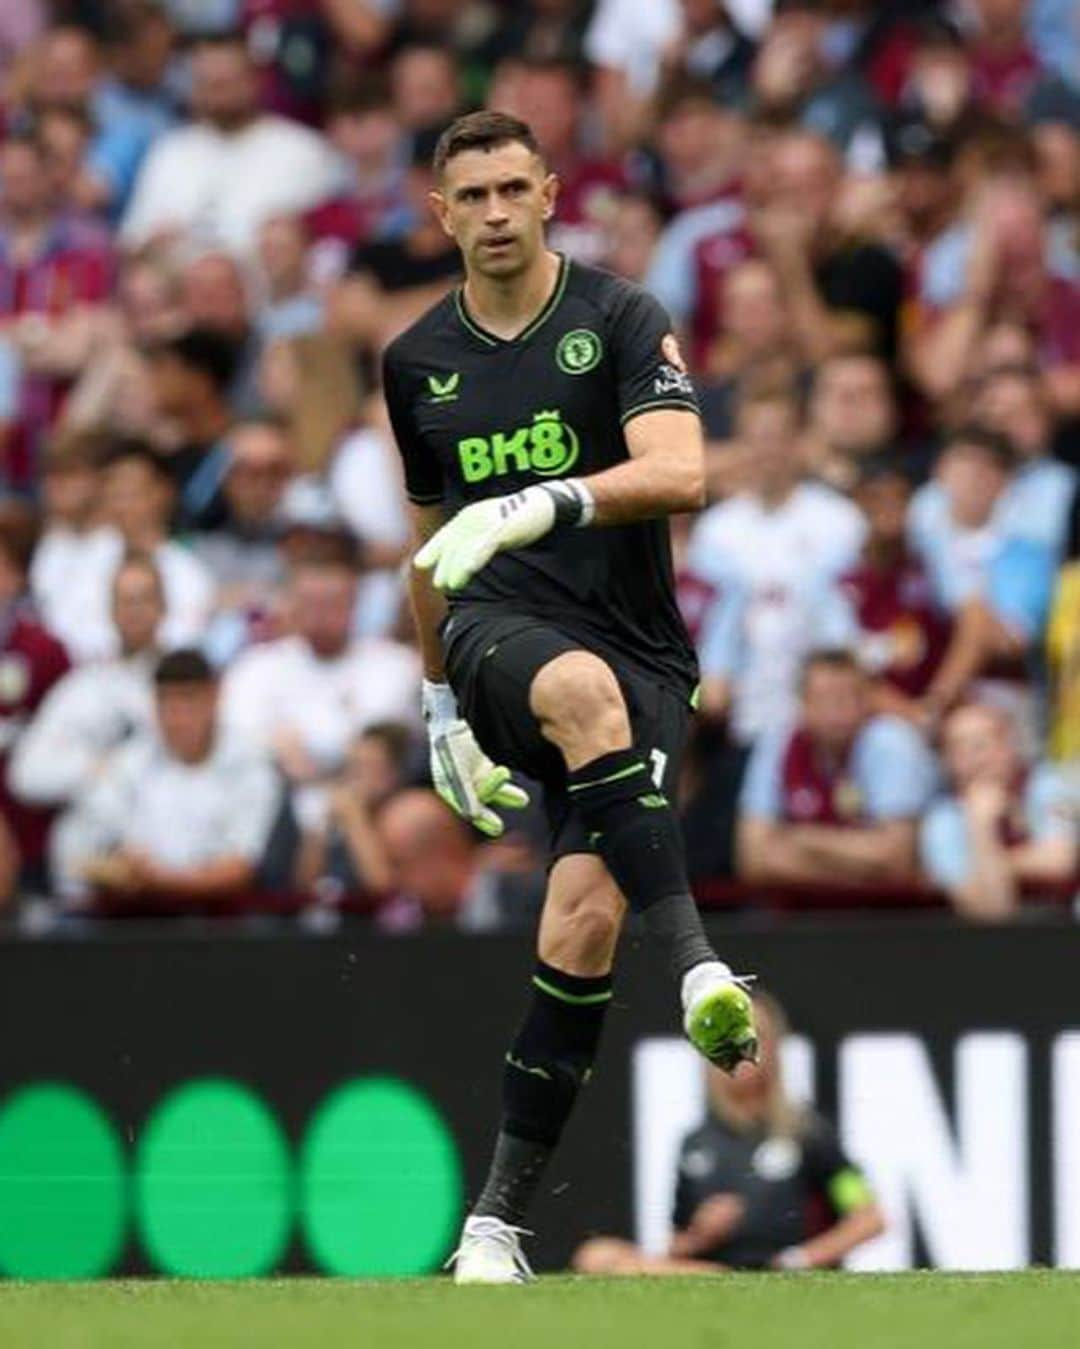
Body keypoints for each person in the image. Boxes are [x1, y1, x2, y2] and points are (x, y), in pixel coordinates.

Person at [382, 110, 758, 1284]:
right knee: (574, 687)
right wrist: (439, 700)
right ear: (439, 216)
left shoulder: (620, 317)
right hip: (502, 636)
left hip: (642, 648)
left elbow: (685, 471)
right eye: (470, 197)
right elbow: (427, 551)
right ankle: (700, 962)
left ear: (548, 194)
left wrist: (548, 499)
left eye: (512, 189)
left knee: (581, 927)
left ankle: (493, 1222)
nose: (494, 213)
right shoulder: (415, 363)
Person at [574, 993, 885, 1274]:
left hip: (779, 1268)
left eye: (753, 1039)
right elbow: (676, 1246)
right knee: (597, 1255)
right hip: (710, 1269)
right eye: (727, 1041)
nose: (740, 1052)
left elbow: (869, 1218)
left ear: (773, 1050)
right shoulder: (696, 1144)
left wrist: (798, 1259)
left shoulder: (807, 1134)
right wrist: (702, 1234)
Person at [51, 648, 281, 914]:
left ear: (214, 698)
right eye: (166, 703)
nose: (176, 718)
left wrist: (162, 881)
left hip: (222, 926)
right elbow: (97, 846)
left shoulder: (251, 766)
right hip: (138, 921)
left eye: (187, 701)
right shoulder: (130, 761)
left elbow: (239, 870)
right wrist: (121, 861)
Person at [120, 32, 343, 255]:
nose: (218, 95)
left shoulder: (304, 150)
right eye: (208, 83)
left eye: (227, 82)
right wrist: (153, 243)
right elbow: (131, 243)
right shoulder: (169, 152)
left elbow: (328, 247)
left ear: (255, 79)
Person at [737, 649, 936, 888]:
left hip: (887, 915)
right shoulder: (777, 744)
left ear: (867, 702)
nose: (837, 710)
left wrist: (805, 840)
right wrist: (860, 864)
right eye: (824, 698)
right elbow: (753, 859)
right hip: (799, 915)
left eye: (847, 697)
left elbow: (897, 860)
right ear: (803, 705)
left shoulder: (890, 741)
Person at [11, 552, 164, 808]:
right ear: (111, 610)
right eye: (125, 601)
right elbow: (25, 773)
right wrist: (98, 767)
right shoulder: (83, 684)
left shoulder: (185, 682)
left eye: (143, 599)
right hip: (93, 833)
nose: (134, 611)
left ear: (163, 606)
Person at [920, 701, 1079, 922]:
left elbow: (1059, 862)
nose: (973, 759)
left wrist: (988, 865)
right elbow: (992, 911)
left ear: (1009, 745)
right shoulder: (942, 821)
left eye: (981, 745)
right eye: (958, 749)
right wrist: (980, 826)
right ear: (946, 762)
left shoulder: (1047, 785)